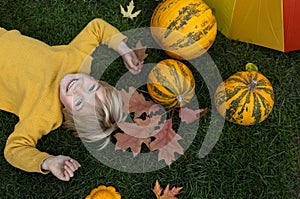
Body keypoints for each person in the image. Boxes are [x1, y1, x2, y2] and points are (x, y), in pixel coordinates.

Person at [0, 18, 143, 181]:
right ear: (99, 81)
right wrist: (123, 49)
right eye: (92, 88)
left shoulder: (44, 115)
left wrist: (47, 161)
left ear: (69, 115)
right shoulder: (77, 61)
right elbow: (97, 28)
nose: (78, 88)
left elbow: (14, 149)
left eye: (78, 102)